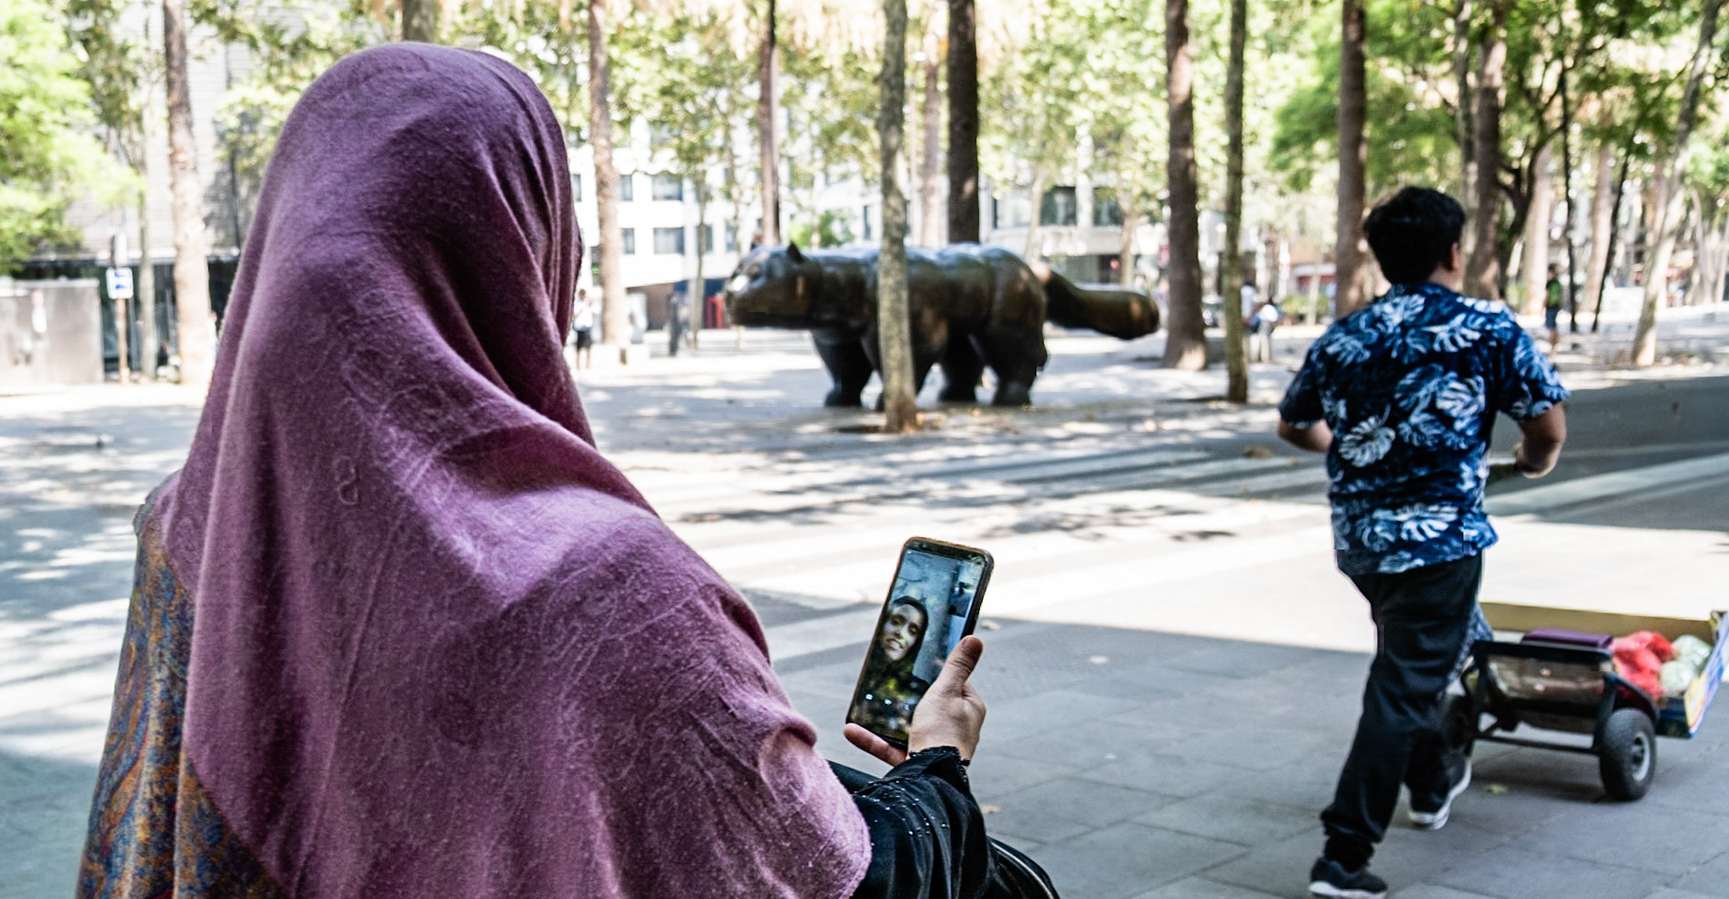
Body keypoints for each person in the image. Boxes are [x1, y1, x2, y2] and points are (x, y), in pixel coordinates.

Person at [77, 44, 1043, 899]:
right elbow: (843, 881)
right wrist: (935, 767)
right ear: (523, 252)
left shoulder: (182, 528)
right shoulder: (615, 599)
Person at [1276, 187, 1568, 899]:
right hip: (1441, 542)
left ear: (1380, 259)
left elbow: (1294, 422)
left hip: (1364, 543)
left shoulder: (1346, 335)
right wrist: (1530, 464)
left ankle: (1434, 783)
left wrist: (1348, 449)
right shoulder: (1486, 328)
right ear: (1453, 252)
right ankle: (1343, 855)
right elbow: (1548, 427)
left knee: (1414, 663)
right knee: (1404, 683)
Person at [849, 596, 935, 742]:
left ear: (916, 642)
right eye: (895, 622)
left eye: (912, 631)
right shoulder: (856, 672)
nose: (900, 633)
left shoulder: (918, 691)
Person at [572, 286, 595, 370]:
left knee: (588, 347)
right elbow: (575, 314)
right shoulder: (577, 303)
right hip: (579, 327)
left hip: (587, 326)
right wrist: (582, 308)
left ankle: (587, 366)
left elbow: (594, 312)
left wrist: (590, 305)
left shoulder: (588, 303)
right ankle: (578, 366)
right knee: (578, 348)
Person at [1543, 266, 1564, 352]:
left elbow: (1546, 295)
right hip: (1556, 306)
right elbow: (1560, 295)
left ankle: (1552, 346)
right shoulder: (1558, 283)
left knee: (1551, 326)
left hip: (1550, 306)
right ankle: (1556, 344)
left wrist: (1543, 305)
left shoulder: (1550, 283)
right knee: (1554, 325)